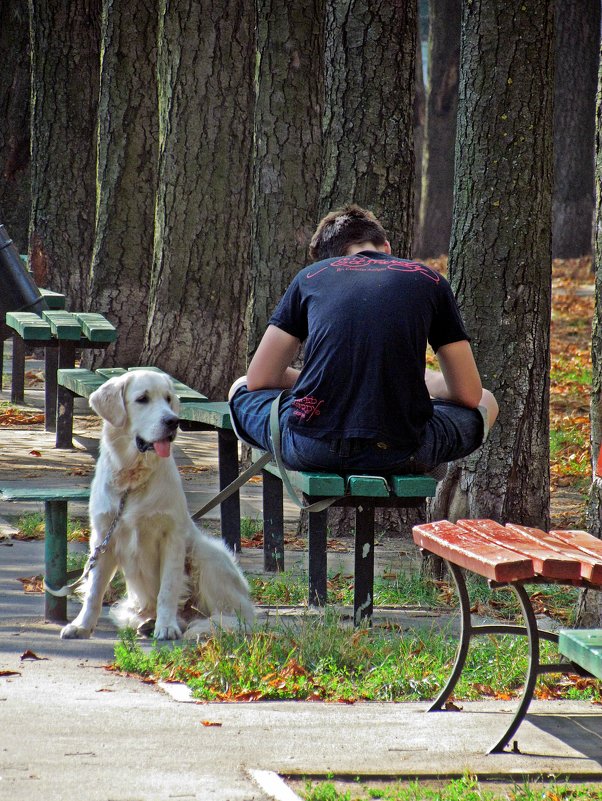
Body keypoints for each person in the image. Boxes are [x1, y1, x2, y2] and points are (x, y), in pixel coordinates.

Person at [229, 204, 498, 476]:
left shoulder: (310, 278)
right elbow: (469, 394)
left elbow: (259, 379)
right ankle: (423, 455)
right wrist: (425, 381)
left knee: (240, 388)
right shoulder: (429, 279)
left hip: (311, 446)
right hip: (401, 450)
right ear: (387, 248)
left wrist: (324, 380)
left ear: (327, 260)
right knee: (487, 401)